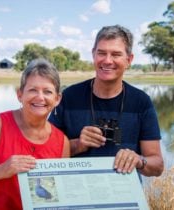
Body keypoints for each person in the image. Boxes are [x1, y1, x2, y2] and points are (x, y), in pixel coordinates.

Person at [49, 25, 163, 177]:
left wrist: (138, 160)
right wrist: (77, 145)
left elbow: (157, 166)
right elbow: (46, 152)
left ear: (129, 60)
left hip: (124, 195)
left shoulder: (141, 102)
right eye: (101, 53)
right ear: (93, 55)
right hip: (77, 193)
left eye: (116, 54)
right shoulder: (69, 97)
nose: (107, 61)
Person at [0, 58, 70, 210]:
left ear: (57, 99)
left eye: (47, 91)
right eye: (33, 90)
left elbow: (58, 196)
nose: (40, 97)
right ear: (20, 95)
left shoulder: (62, 142)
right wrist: (2, 170)